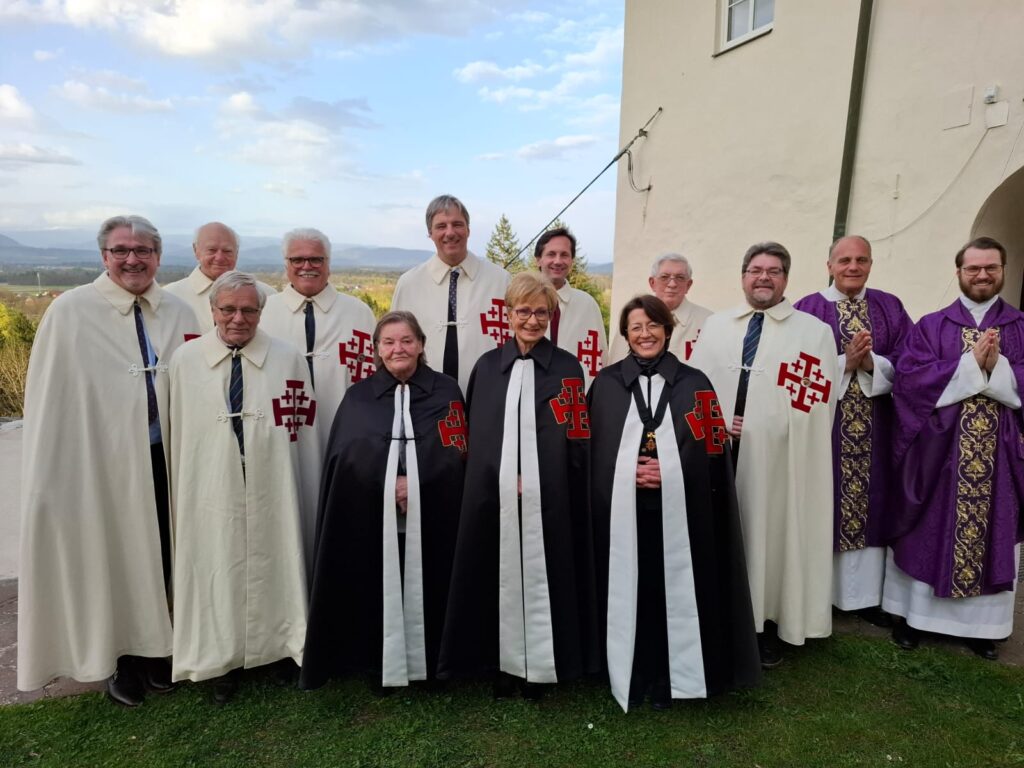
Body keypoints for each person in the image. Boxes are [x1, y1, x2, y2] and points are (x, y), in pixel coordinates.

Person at [18, 215, 197, 706]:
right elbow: (55, 401)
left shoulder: (180, 312)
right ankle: (118, 660)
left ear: (158, 256)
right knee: (112, 556)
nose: (132, 259)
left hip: (166, 455)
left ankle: (159, 650)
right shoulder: (72, 312)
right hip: (100, 463)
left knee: (163, 552)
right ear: (104, 256)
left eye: (143, 250)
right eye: (121, 250)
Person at [590, 294, 760, 712]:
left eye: (653, 326)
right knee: (632, 587)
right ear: (626, 335)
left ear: (668, 329)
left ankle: (674, 674)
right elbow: (591, 450)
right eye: (636, 327)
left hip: (683, 511)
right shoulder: (606, 384)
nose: (645, 334)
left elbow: (712, 449)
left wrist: (670, 470)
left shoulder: (695, 382)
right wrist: (626, 470)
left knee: (670, 590)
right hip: (623, 511)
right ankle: (629, 671)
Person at [437, 272, 598, 696]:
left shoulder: (567, 368)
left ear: (551, 316)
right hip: (494, 494)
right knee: (497, 571)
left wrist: (546, 478)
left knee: (548, 573)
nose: (532, 321)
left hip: (552, 496)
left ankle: (544, 665)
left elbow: (575, 435)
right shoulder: (488, 368)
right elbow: (480, 433)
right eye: (523, 311)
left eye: (541, 312)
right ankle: (501, 663)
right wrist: (502, 477)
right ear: (507, 314)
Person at [168, 271, 315, 703]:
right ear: (212, 310)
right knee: (216, 564)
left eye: (249, 309)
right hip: (211, 482)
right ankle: (220, 660)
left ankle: (282, 647)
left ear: (261, 312)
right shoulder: (186, 360)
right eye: (228, 309)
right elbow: (183, 432)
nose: (238, 318)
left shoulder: (287, 357)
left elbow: (302, 425)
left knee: (278, 555)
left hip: (273, 477)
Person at [689, 242, 837, 667]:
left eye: (774, 271)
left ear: (786, 279)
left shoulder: (812, 333)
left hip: (776, 460)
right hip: (716, 452)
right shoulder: (718, 326)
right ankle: (713, 617)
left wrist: (764, 425)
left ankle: (761, 624)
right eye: (756, 269)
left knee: (765, 535)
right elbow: (694, 388)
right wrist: (715, 423)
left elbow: (818, 405)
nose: (764, 278)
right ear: (743, 276)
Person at [301, 311, 465, 691]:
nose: (398, 349)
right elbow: (347, 456)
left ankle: (432, 663)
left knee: (431, 581)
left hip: (435, 511)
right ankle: (378, 661)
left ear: (421, 345)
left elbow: (458, 448)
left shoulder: (446, 391)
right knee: (376, 581)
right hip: (371, 514)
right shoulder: (359, 397)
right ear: (377, 350)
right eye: (389, 342)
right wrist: (384, 481)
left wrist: (418, 481)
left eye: (407, 340)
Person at [886, 236, 1024, 661]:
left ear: (1003, 270)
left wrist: (996, 367)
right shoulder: (932, 325)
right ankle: (913, 618)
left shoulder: (1019, 326)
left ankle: (984, 628)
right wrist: (970, 366)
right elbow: (909, 378)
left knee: (994, 531)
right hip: (939, 454)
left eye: (991, 268)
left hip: (998, 458)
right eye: (973, 268)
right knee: (928, 527)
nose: (982, 275)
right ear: (959, 272)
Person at [793, 236, 913, 626]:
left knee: (872, 500)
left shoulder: (889, 307)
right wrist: (844, 363)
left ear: (871, 265)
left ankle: (864, 598)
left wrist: (872, 364)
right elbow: (794, 369)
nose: (853, 267)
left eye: (861, 260)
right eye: (844, 260)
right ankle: (818, 592)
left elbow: (911, 362)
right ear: (829, 265)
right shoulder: (807, 309)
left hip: (877, 428)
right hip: (824, 430)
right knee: (824, 499)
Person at [260, 228, 377, 454]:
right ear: (286, 264)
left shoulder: (358, 313)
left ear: (328, 263)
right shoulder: (264, 313)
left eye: (316, 259)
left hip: (349, 433)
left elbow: (375, 380)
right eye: (297, 259)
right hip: (282, 431)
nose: (307, 266)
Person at [391, 195, 511, 393]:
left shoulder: (500, 280)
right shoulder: (409, 284)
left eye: (457, 224)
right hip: (423, 399)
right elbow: (393, 346)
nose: (450, 232)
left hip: (489, 393)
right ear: (430, 233)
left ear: (468, 230)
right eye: (441, 226)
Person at [163, 222, 273, 333]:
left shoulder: (268, 296)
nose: (219, 257)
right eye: (212, 250)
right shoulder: (169, 297)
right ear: (196, 250)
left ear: (237, 253)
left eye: (227, 251)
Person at [533, 227, 607, 390]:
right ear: (538, 259)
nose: (558, 261)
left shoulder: (587, 304)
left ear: (572, 261)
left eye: (564, 255)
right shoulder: (523, 303)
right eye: (551, 254)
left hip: (575, 398)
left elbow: (600, 356)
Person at [609, 253, 712, 364]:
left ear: (688, 285)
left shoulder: (709, 322)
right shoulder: (632, 319)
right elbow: (616, 369)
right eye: (664, 277)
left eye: (680, 278)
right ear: (652, 283)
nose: (672, 284)